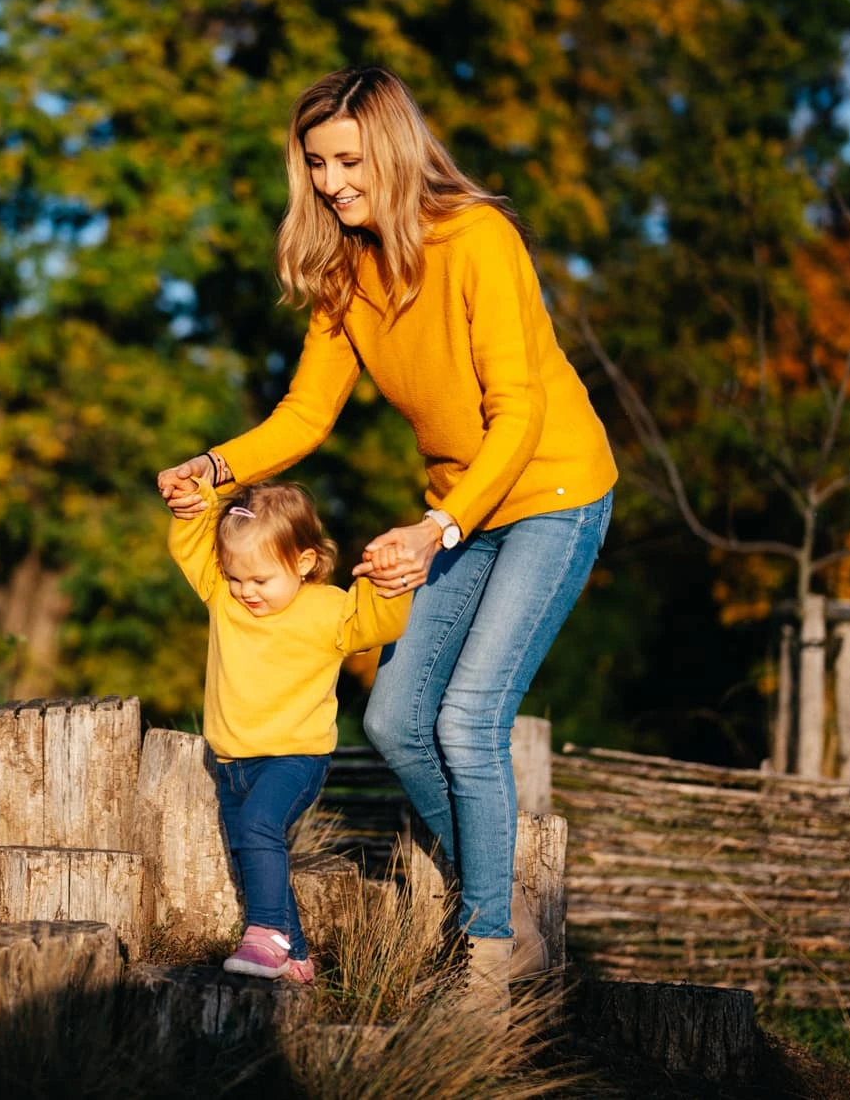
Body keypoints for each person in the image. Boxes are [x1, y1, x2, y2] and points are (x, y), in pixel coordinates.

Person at [157, 66, 615, 992]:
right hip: (457, 505)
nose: (330, 181)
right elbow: (302, 416)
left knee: (468, 716)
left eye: (348, 159)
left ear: (395, 149)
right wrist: (211, 469)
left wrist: (435, 529)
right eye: (317, 162)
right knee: (397, 720)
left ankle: (487, 955)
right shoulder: (344, 268)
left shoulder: (478, 239)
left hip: (551, 491)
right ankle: (506, 900)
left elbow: (517, 414)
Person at [158, 476, 410, 983]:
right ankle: (295, 956)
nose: (246, 592)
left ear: (303, 563)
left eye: (260, 580)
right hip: (231, 763)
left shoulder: (330, 608)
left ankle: (267, 934)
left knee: (257, 829)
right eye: (236, 578)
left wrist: (387, 583)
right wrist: (194, 507)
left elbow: (380, 625)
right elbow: (189, 547)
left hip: (295, 758)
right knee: (252, 851)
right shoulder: (221, 597)